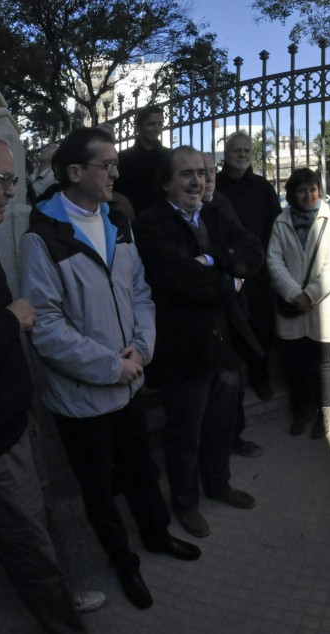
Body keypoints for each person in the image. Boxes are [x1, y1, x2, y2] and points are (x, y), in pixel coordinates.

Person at [19, 128, 202, 610]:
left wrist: (141, 351)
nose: (117, 174)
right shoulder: (43, 235)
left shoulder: (119, 223)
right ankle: (125, 562)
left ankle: (157, 534)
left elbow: (140, 292)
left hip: (129, 381)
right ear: (75, 173)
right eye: (108, 165)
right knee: (99, 489)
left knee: (141, 469)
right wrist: (109, 366)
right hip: (83, 398)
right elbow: (47, 327)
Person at [0, 132, 103, 632]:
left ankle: (65, 598)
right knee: (27, 543)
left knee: (42, 526)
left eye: (15, 180)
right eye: (5, 179)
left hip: (17, 421)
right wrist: (11, 320)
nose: (13, 190)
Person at [133, 146, 265, 538]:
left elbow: (252, 251)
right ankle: (186, 502)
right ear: (165, 182)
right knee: (184, 432)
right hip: (182, 348)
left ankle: (218, 484)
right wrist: (231, 281)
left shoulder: (215, 211)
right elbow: (179, 280)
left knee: (221, 423)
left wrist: (212, 261)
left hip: (223, 341)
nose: (198, 181)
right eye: (186, 174)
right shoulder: (150, 224)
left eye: (202, 174)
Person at [267, 168, 330, 438]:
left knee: (323, 362)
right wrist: (294, 294)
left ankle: (324, 412)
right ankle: (301, 411)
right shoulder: (281, 222)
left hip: (322, 305)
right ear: (291, 194)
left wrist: (310, 295)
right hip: (293, 306)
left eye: (313, 189)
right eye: (302, 190)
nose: (309, 195)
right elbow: (273, 261)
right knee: (296, 364)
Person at [200, 151, 264, 458]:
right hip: (204, 312)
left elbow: (247, 247)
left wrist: (233, 273)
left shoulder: (221, 203)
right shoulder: (186, 211)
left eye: (212, 171)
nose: (208, 178)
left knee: (234, 380)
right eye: (201, 172)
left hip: (232, 307)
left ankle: (234, 437)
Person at [215, 130, 283, 401]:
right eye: (236, 151)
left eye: (246, 151)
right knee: (228, 327)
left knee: (261, 327)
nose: (242, 155)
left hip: (257, 271)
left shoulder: (263, 188)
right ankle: (231, 383)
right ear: (226, 155)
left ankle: (261, 377)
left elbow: (275, 227)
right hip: (224, 269)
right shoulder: (215, 186)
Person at [115, 105, 170, 213]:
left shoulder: (170, 156)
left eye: (160, 124)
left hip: (163, 217)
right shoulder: (123, 158)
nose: (157, 129)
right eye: (151, 124)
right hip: (133, 216)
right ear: (139, 127)